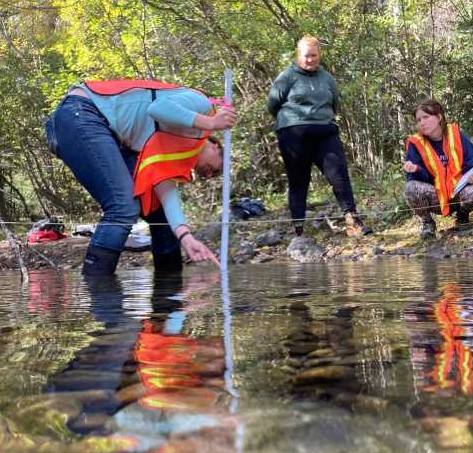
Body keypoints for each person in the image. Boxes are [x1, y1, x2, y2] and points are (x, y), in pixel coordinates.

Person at [45, 79, 237, 275]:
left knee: (159, 211)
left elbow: (166, 190)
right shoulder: (202, 106)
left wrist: (186, 236)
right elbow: (158, 108)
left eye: (213, 176)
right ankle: (99, 292)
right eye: (217, 169)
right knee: (123, 206)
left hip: (110, 136)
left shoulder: (177, 153)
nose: (209, 174)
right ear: (215, 145)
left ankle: (169, 299)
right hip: (80, 114)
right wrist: (212, 123)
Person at [267, 35, 371, 237]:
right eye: (306, 56)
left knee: (339, 174)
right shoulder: (286, 77)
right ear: (299, 55)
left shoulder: (327, 78)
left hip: (324, 131)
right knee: (299, 180)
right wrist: (293, 121)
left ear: (319, 55)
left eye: (313, 55)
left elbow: (335, 104)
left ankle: (352, 219)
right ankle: (298, 228)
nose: (310, 60)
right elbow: (273, 105)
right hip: (293, 134)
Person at [402, 99, 473, 239]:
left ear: (439, 117)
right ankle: (428, 223)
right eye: (418, 120)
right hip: (436, 197)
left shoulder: (456, 135)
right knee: (410, 188)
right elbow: (417, 182)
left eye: (426, 117)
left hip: (458, 193)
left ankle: (462, 216)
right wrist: (415, 169)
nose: (421, 123)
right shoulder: (415, 143)